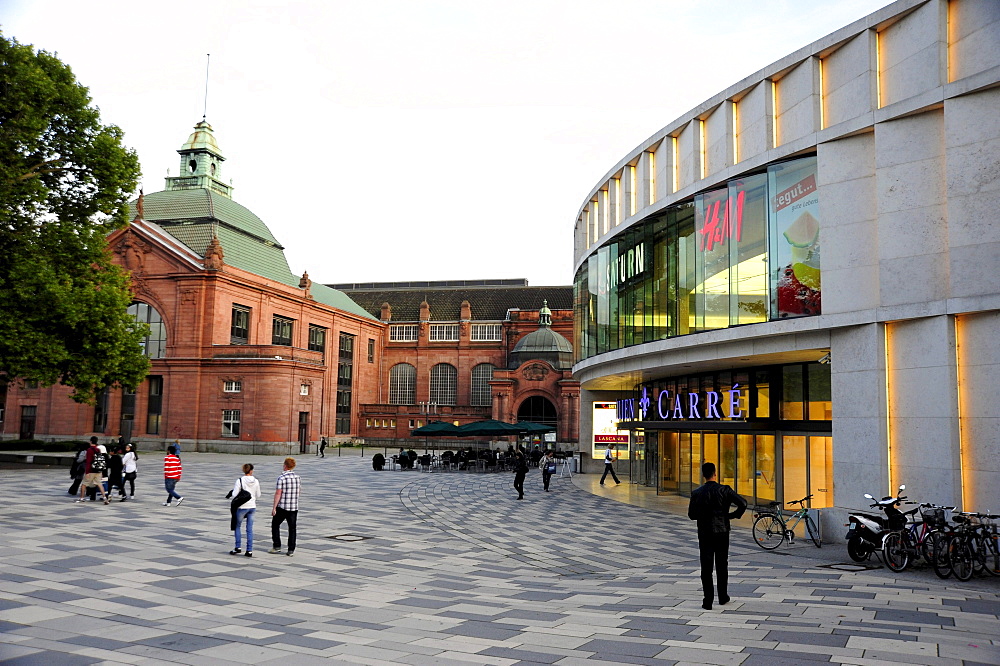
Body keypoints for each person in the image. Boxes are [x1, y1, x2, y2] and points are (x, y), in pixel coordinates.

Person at [687, 461, 747, 610]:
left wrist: (703, 515)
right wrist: (731, 516)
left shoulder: (697, 492)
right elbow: (743, 503)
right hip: (722, 531)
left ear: (703, 475)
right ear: (715, 473)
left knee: (706, 566)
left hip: (705, 532)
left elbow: (691, 515)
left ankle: (708, 600)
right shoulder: (725, 490)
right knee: (722, 564)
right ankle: (723, 596)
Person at [269, 457, 300, 556]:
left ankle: (277, 545)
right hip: (293, 506)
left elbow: (278, 493)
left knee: (275, 524)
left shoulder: (281, 478)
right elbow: (299, 490)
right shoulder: (297, 477)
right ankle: (291, 549)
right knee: (292, 528)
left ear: (285, 466)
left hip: (282, 506)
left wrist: (274, 507)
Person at [230, 463, 261, 557]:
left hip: (242, 507)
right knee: (249, 529)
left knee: (237, 526)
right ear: (251, 470)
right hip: (252, 506)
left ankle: (238, 547)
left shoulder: (240, 481)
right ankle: (249, 550)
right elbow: (258, 495)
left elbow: (235, 494)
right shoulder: (256, 481)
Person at [75, 436, 111, 505]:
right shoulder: (98, 449)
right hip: (98, 469)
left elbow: (88, 462)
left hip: (91, 470)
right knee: (99, 484)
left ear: (90, 441)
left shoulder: (89, 450)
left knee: (84, 484)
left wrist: (87, 472)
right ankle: (104, 498)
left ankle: (81, 498)